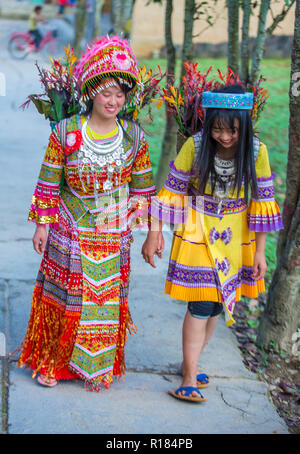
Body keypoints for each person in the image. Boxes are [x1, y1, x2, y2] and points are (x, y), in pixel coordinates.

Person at [17, 36, 156, 391]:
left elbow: (142, 189)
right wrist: (42, 226)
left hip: (113, 233)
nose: (113, 101)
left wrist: (149, 233)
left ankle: (95, 366)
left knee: (103, 302)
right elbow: (48, 182)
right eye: (106, 93)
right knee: (65, 297)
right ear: (91, 91)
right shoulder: (66, 133)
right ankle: (55, 362)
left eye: (120, 95)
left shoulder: (134, 137)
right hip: (69, 226)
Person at [142, 83, 283, 402]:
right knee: (202, 302)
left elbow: (263, 201)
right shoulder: (195, 145)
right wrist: (155, 232)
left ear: (243, 126)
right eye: (217, 129)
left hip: (237, 235)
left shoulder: (257, 151)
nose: (224, 137)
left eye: (232, 130)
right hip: (198, 230)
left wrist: (260, 252)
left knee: (219, 302)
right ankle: (189, 375)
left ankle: (190, 363)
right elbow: (172, 190)